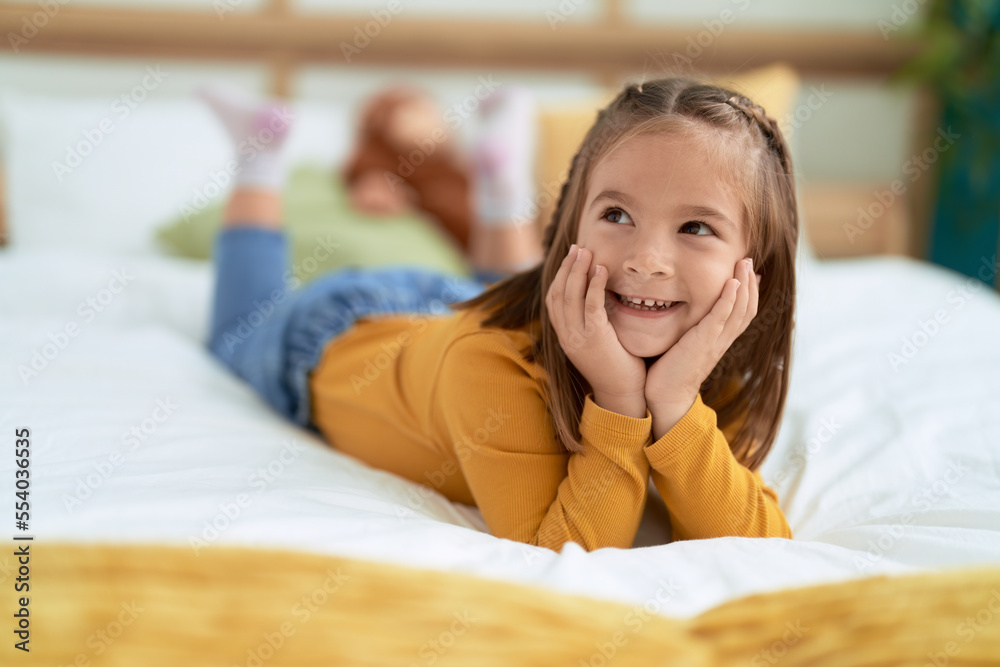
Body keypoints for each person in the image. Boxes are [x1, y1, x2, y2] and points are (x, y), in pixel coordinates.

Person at [199, 75, 796, 552]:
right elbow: (564, 552)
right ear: (569, 226)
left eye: (696, 227)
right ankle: (259, 157)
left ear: (755, 262)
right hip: (339, 330)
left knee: (508, 293)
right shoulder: (489, 363)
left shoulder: (710, 361)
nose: (647, 260)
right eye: (616, 215)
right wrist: (619, 398)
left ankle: (499, 180)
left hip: (458, 306)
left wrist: (675, 402)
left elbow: (761, 547)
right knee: (237, 334)